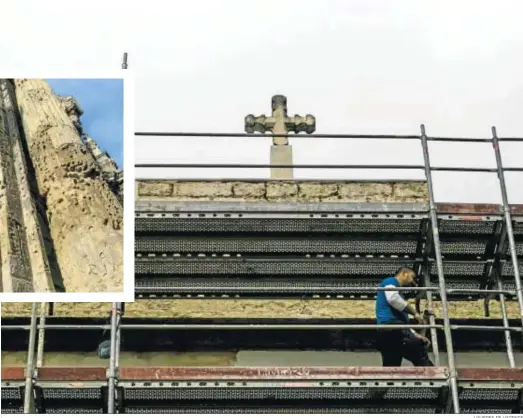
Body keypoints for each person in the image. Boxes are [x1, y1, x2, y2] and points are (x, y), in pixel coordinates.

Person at [375, 267, 434, 367]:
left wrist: (414, 334)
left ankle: (390, 381)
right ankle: (432, 377)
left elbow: (401, 320)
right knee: (420, 354)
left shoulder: (398, 293)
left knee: (391, 365)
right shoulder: (391, 281)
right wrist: (414, 312)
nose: (413, 282)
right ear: (405, 273)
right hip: (393, 329)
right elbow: (393, 299)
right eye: (412, 277)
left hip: (388, 331)